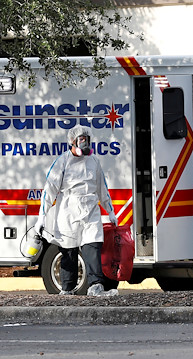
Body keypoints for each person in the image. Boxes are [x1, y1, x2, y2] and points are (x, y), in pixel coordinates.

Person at [34, 125, 119, 296]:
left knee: (93, 246)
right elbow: (49, 190)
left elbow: (102, 188)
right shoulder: (62, 162)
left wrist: (110, 210)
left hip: (90, 210)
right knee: (69, 251)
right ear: (72, 142)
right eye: (81, 140)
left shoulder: (93, 161)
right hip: (68, 210)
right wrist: (41, 217)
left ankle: (96, 285)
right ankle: (67, 288)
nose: (84, 143)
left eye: (86, 139)